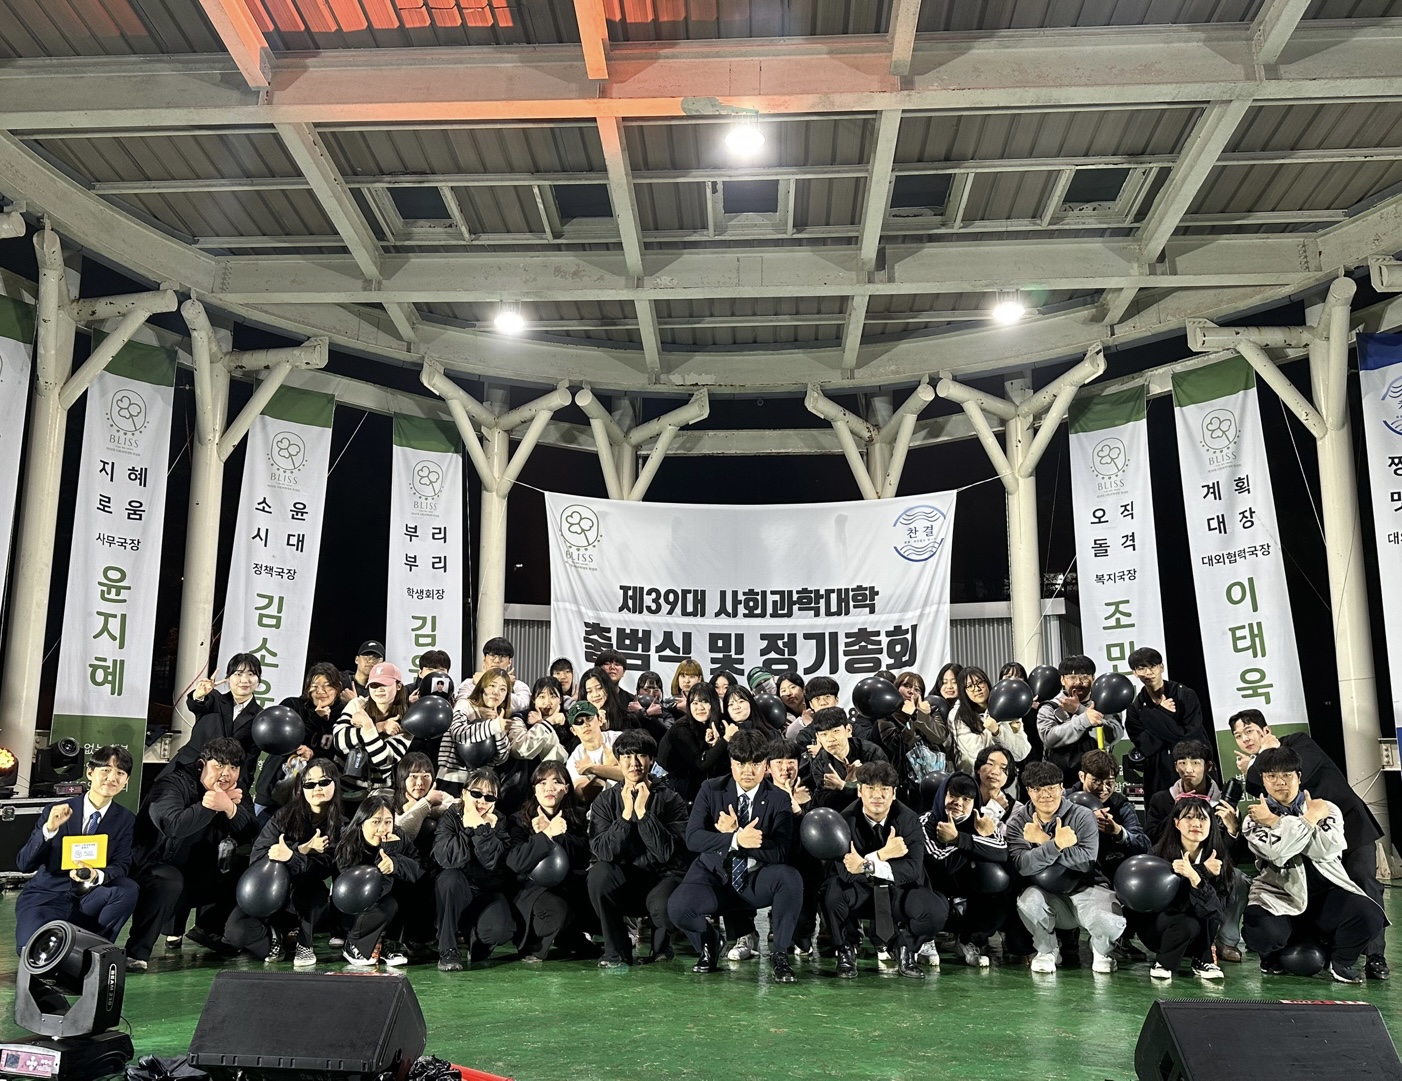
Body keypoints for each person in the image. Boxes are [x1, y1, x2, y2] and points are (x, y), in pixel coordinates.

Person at [1232, 709, 1389, 979]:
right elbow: (1259, 789)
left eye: (1249, 731)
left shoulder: (1298, 741)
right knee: (1303, 893)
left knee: (1363, 883)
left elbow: (1305, 766)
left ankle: (1374, 956)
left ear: (1266, 731)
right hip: (1302, 836)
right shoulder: (1258, 773)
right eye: (1238, 735)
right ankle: (1309, 947)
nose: (1245, 739)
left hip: (1345, 824)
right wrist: (1258, 766)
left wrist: (1269, 752)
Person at [668, 729, 804, 984]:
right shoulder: (711, 789)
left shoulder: (778, 798)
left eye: (755, 764)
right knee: (678, 909)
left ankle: (780, 955)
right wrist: (736, 839)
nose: (747, 771)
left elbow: (781, 851)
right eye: (741, 763)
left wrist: (741, 839)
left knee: (790, 878)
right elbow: (693, 838)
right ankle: (710, 943)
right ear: (731, 763)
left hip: (755, 878)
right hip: (714, 875)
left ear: (765, 766)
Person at [125, 737, 260, 970]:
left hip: (202, 867)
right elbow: (173, 825)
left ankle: (208, 930)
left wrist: (230, 808)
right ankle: (136, 952)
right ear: (202, 764)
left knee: (247, 868)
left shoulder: (235, 790)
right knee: (169, 879)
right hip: (156, 866)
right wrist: (210, 806)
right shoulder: (171, 784)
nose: (226, 774)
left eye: (233, 767)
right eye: (219, 765)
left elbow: (251, 831)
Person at [823, 761, 945, 980]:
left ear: (894, 793)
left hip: (898, 890)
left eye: (884, 789)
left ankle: (906, 948)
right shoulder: (845, 820)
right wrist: (883, 854)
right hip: (860, 891)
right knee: (832, 893)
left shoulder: (909, 819)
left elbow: (913, 869)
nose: (877, 795)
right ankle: (846, 948)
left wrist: (867, 864)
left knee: (936, 909)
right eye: (870, 788)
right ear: (859, 790)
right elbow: (847, 872)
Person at [1007, 760, 1126, 975]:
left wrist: (1044, 841)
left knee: (1110, 921)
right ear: (1029, 791)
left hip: (1088, 888)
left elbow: (1085, 861)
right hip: (1046, 893)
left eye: (1051, 788)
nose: (1045, 795)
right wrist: (1057, 845)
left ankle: (1102, 950)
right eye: (1037, 789)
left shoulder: (1083, 815)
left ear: (1062, 788)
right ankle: (1047, 950)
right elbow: (1022, 865)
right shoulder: (1018, 822)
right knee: (1028, 902)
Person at [15, 746, 138, 951]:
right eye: (106, 770)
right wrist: (49, 830)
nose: (112, 778)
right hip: (48, 896)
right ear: (90, 772)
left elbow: (122, 864)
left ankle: (96, 950)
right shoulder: (56, 811)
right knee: (32, 951)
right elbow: (24, 864)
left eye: (120, 773)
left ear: (126, 781)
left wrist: (95, 875)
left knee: (127, 889)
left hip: (90, 898)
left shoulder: (125, 819)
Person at [588, 729, 692, 968]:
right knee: (598, 875)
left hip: (661, 879)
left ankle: (661, 947)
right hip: (625, 880)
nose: (634, 763)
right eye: (627, 756)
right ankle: (616, 951)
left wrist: (644, 814)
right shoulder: (605, 801)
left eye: (641, 756)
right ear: (618, 761)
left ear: (651, 760)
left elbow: (665, 853)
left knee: (664, 903)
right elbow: (602, 851)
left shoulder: (671, 799)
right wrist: (625, 817)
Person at [225, 759, 342, 967]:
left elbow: (325, 867)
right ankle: (275, 936)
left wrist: (292, 856)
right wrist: (302, 849)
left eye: (324, 782)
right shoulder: (284, 816)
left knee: (316, 895)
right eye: (309, 784)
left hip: (304, 897)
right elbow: (258, 856)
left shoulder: (341, 825)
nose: (317, 788)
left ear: (335, 784)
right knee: (235, 932)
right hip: (270, 893)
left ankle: (304, 943)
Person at [1144, 739, 1248, 963]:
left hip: (1212, 867)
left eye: (1195, 763)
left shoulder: (1223, 803)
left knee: (1237, 878)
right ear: (1175, 767)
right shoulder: (1162, 799)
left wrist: (1232, 830)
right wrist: (1180, 812)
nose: (1188, 769)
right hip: (1173, 867)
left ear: (1208, 766)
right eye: (1182, 762)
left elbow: (1231, 858)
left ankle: (1226, 941)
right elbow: (1152, 840)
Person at [1133, 797, 1231, 981]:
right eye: (1189, 817)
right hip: (1160, 928)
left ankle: (1203, 959)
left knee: (1205, 910)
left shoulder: (1217, 859)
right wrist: (1202, 870)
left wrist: (1195, 876)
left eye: (1202, 818)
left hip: (1201, 932)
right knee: (1186, 922)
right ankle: (1164, 963)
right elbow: (1158, 902)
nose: (1196, 824)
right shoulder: (1158, 855)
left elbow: (1216, 910)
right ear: (1177, 823)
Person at [919, 770, 1010, 969]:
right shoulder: (926, 822)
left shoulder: (981, 822)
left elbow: (1002, 852)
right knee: (926, 891)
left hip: (965, 893)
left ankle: (968, 940)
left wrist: (959, 839)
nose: (958, 803)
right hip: (934, 891)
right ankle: (924, 939)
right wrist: (975, 844)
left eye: (966, 799)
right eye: (953, 795)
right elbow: (939, 864)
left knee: (998, 888)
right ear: (942, 795)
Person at [505, 762, 594, 963]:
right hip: (532, 889)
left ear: (566, 788)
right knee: (556, 912)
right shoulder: (518, 820)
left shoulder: (579, 816)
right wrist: (545, 836)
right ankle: (535, 944)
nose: (549, 788)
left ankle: (570, 936)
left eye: (556, 782)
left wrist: (560, 835)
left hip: (569, 884)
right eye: (542, 783)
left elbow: (584, 855)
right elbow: (515, 862)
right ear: (534, 789)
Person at [432, 768, 515, 971]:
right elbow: (446, 858)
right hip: (458, 887)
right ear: (464, 793)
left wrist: (482, 830)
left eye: (489, 797)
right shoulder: (450, 816)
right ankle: (448, 949)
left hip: (486, 889)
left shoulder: (500, 821)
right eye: (476, 794)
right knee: (448, 880)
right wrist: (469, 828)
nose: (482, 801)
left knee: (501, 931)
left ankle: (478, 944)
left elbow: (493, 861)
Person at [334, 793, 422, 967]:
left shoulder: (398, 836)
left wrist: (395, 861)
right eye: (375, 822)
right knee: (388, 903)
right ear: (362, 822)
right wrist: (386, 857)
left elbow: (418, 869)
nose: (383, 828)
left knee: (406, 889)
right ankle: (353, 943)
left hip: (388, 906)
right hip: (354, 909)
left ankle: (391, 942)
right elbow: (361, 893)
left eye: (388, 822)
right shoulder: (348, 842)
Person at [253, 663, 346, 815]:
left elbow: (337, 757)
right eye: (315, 686)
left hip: (313, 798)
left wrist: (312, 754)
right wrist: (315, 718)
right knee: (260, 828)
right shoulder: (292, 706)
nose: (321, 691)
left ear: (338, 688)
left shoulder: (344, 715)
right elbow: (280, 740)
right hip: (272, 790)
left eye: (328, 686)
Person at [1125, 648, 1210, 799]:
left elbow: (1189, 736)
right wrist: (1162, 713)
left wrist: (1154, 720)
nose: (1148, 672)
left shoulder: (1184, 695)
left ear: (1162, 667)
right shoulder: (1135, 708)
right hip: (1158, 775)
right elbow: (1145, 746)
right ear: (1135, 673)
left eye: (1152, 666)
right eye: (1141, 668)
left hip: (1191, 771)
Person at [392, 752, 455, 953]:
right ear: (402, 778)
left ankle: (424, 938)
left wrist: (422, 806)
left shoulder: (440, 796)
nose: (420, 782)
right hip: (398, 865)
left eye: (426, 776)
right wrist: (426, 804)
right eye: (413, 776)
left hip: (430, 864)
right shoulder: (388, 798)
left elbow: (457, 808)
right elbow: (401, 831)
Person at [1037, 654, 1126, 788]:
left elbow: (1113, 736)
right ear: (1062, 680)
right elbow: (1049, 738)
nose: (1078, 682)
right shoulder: (1049, 707)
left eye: (1084, 677)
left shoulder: (1106, 704)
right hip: (1059, 781)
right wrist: (1084, 719)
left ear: (1093, 678)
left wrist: (1079, 710)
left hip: (1097, 779)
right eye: (1072, 677)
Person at [176, 652, 263, 787]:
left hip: (223, 782)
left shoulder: (260, 716)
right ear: (228, 678)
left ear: (258, 679)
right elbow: (196, 705)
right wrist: (199, 695)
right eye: (238, 674)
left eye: (251, 674)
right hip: (188, 771)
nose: (245, 680)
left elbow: (250, 759)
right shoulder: (214, 699)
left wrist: (240, 788)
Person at [333, 661, 412, 803]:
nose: (379, 690)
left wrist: (367, 725)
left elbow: (383, 760)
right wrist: (379, 727)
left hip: (378, 796)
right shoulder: (357, 704)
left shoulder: (407, 720)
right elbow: (339, 741)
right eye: (374, 685)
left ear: (398, 686)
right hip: (343, 789)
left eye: (385, 684)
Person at [436, 667, 511, 794]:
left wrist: (498, 728)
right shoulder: (464, 705)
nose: (496, 692)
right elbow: (457, 733)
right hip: (451, 779)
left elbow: (501, 757)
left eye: (503, 689)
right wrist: (492, 726)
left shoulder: (500, 717)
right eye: (492, 685)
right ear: (482, 687)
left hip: (480, 785)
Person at [948, 665, 1031, 774]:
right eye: (970, 686)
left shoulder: (1005, 705)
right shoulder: (957, 715)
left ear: (987, 682)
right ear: (963, 691)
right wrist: (993, 730)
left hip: (1004, 776)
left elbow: (1021, 753)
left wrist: (1004, 732)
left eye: (980, 682)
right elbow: (975, 751)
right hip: (974, 777)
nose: (977, 689)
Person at [801, 706, 888, 811]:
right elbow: (824, 801)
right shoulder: (820, 761)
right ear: (818, 737)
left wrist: (844, 786)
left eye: (835, 731)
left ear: (848, 730)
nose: (830, 739)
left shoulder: (872, 753)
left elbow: (882, 792)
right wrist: (848, 785)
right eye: (824, 734)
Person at [657, 682, 727, 801]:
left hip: (691, 780)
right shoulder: (681, 729)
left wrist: (716, 743)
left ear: (714, 704)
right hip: (669, 783)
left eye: (705, 702)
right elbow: (700, 765)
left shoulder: (717, 724)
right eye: (695, 703)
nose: (700, 707)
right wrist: (724, 741)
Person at [564, 700, 623, 802]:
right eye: (579, 722)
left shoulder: (619, 739)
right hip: (602, 807)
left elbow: (634, 774)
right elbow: (584, 796)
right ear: (573, 731)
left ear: (600, 720)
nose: (585, 724)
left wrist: (593, 769)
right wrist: (607, 769)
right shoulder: (575, 759)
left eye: (589, 718)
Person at [459, 637, 531, 714]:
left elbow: (523, 706)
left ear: (510, 661)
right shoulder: (470, 683)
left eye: (502, 656)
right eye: (492, 655)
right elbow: (462, 706)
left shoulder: (520, 686)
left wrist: (507, 687)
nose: (497, 661)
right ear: (484, 658)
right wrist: (481, 684)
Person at [973, 745, 1019, 823]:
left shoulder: (1016, 809)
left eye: (1003, 768)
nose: (995, 772)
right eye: (990, 764)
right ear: (978, 768)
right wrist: (995, 807)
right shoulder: (964, 797)